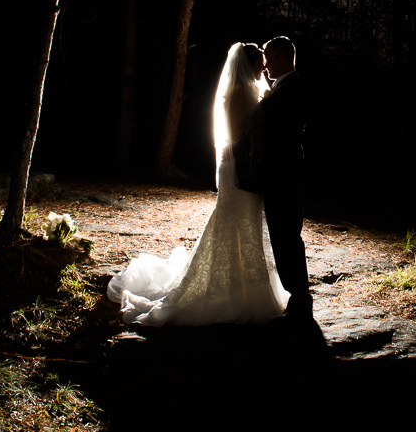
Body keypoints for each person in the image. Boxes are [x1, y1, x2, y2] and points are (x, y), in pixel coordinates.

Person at [106, 42, 289, 325]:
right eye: (260, 62)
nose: (265, 67)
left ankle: (246, 285)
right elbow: (239, 133)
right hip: (237, 169)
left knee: (247, 224)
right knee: (233, 222)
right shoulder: (239, 92)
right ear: (247, 64)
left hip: (245, 167)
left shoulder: (251, 89)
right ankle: (228, 289)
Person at [237, 36, 311, 319]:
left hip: (285, 174)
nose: (265, 64)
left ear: (282, 57)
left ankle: (299, 294)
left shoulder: (293, 88)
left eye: (268, 56)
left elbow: (280, 132)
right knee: (282, 233)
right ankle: (296, 290)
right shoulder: (282, 87)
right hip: (278, 173)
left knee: (287, 233)